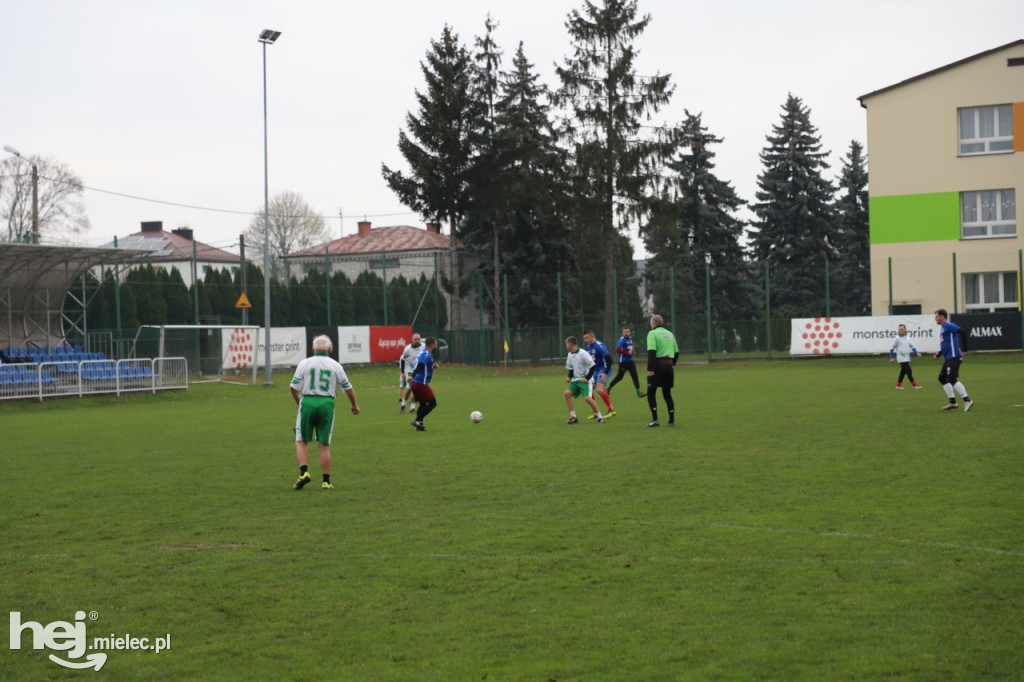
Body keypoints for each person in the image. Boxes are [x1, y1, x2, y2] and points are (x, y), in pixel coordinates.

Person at [289, 335, 360, 491]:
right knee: (324, 445)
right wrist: (354, 405)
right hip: (327, 404)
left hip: (307, 401)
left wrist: (299, 403)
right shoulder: (336, 365)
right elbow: (348, 388)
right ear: (330, 349)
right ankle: (326, 482)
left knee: (301, 441)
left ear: (313, 349)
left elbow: (293, 388)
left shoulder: (304, 363)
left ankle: (304, 472)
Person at [933, 308, 974, 412]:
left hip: (954, 356)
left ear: (942, 317)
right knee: (942, 378)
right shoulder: (943, 328)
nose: (935, 319)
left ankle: (967, 400)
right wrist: (939, 353)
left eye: (936, 317)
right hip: (948, 357)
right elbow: (946, 344)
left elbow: (963, 333)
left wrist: (964, 350)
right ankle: (952, 402)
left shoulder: (948, 325)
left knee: (951, 378)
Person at [645, 314, 679, 427]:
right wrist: (672, 365)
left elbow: (651, 352)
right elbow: (676, 353)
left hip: (658, 364)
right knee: (667, 393)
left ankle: (655, 419)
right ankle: (671, 420)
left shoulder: (652, 333)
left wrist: (650, 369)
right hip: (669, 364)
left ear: (653, 323)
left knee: (651, 392)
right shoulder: (670, 334)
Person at [564, 336, 604, 424]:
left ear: (570, 344)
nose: (566, 346)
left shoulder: (583, 353)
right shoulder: (570, 354)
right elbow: (571, 368)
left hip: (586, 380)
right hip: (575, 380)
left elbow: (592, 366)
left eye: (566, 344)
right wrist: (569, 377)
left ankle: (600, 416)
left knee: (587, 398)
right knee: (567, 394)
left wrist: (587, 378)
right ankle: (573, 417)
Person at [583, 330, 616, 418]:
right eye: (584, 338)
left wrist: (605, 373)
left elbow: (609, 360)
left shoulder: (599, 346)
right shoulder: (588, 347)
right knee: (588, 389)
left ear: (592, 337)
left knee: (599, 389)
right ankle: (595, 412)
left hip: (604, 369)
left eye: (587, 338)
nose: (585, 340)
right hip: (595, 370)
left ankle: (611, 410)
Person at [607, 325, 645, 398]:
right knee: (619, 377)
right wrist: (627, 353)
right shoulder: (622, 340)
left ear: (629, 332)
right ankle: (609, 388)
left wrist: (632, 352)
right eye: (625, 332)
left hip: (630, 361)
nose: (626, 333)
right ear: (622, 333)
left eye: (627, 332)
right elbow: (617, 350)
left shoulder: (630, 339)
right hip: (623, 362)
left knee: (635, 376)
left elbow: (629, 349)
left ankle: (639, 392)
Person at [409, 337, 438, 431]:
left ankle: (419, 426)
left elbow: (423, 364)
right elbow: (420, 365)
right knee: (433, 403)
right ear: (433, 345)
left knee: (423, 404)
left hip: (416, 383)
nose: (436, 346)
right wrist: (412, 376)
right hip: (420, 383)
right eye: (436, 344)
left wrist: (432, 366)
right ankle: (417, 420)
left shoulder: (423, 352)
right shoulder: (427, 354)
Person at [888, 323, 922, 389]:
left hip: (907, 357)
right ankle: (914, 385)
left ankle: (898, 385)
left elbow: (912, 347)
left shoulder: (908, 338)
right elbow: (892, 349)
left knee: (903, 371)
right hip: (901, 357)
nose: (900, 330)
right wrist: (891, 357)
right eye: (899, 329)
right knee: (909, 370)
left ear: (905, 330)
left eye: (902, 329)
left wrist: (916, 353)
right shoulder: (896, 338)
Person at [398, 332, 422, 414]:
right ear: (412, 340)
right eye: (415, 339)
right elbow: (402, 359)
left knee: (417, 389)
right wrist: (402, 372)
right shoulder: (408, 349)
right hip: (409, 371)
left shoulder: (423, 346)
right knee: (410, 388)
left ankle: (412, 408)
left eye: (418, 339)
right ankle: (403, 405)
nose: (417, 341)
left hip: (418, 371)